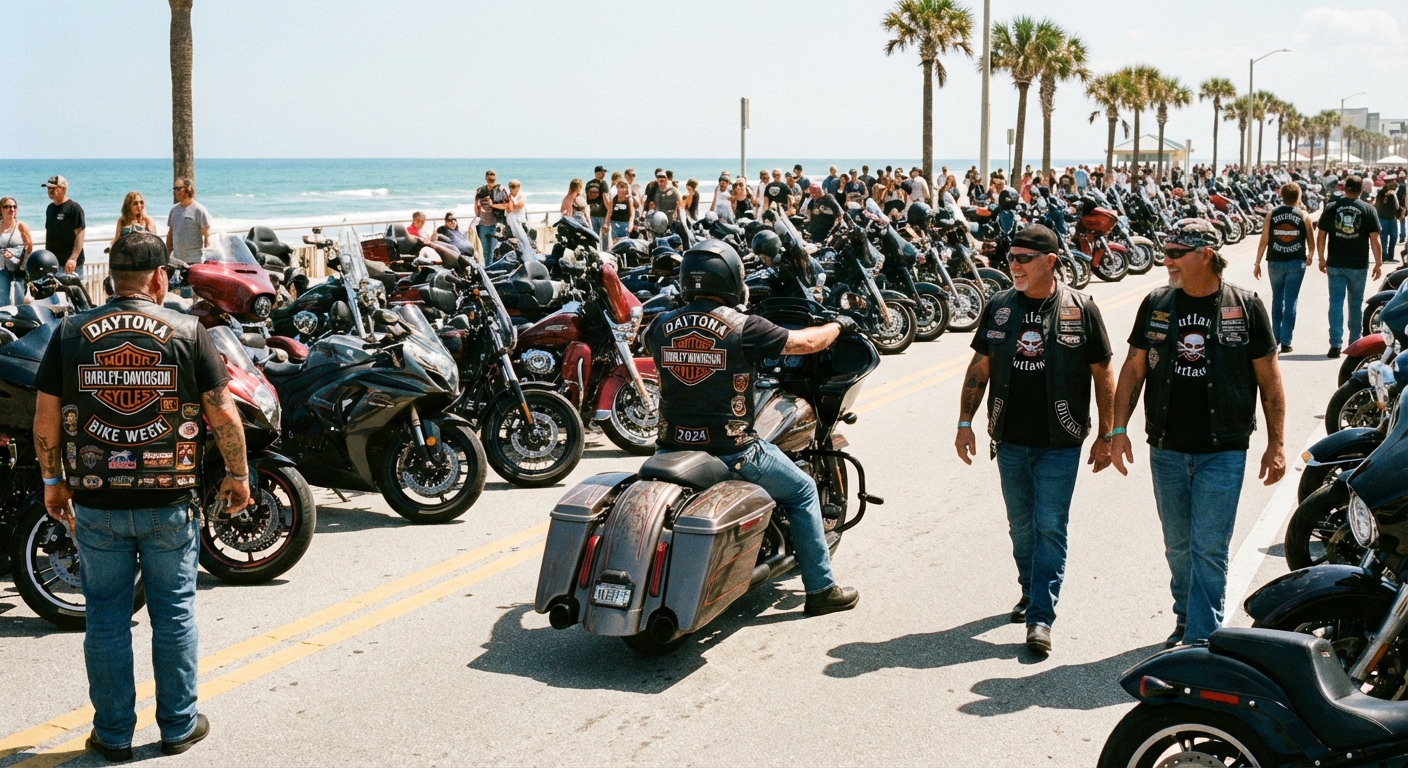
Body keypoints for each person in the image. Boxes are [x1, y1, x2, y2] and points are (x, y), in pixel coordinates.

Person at [35, 231, 250, 760]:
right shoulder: (188, 330)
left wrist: (52, 481)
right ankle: (178, 726)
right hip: (167, 500)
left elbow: (45, 417)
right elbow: (222, 411)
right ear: (159, 277)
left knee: (105, 617)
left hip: (96, 498)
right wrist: (239, 475)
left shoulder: (68, 333)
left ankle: (112, 734)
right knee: (173, 613)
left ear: (111, 277)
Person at [645, 239, 859, 615]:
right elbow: (806, 342)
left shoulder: (660, 325)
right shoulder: (743, 326)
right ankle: (821, 589)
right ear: (729, 278)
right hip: (733, 450)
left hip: (670, 447)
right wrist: (838, 325)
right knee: (803, 491)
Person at [1111, 219, 1285, 646]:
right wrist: (1118, 430)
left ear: (1205, 254)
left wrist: (1276, 444)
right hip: (1167, 446)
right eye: (1165, 251)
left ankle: (1203, 637)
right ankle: (1187, 616)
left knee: (1208, 545)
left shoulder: (1244, 306)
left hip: (1223, 448)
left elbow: (1269, 377)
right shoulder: (1156, 303)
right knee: (1178, 546)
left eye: (1174, 253)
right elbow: (1134, 368)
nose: (1165, 260)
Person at [956, 223, 1114, 656]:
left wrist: (1109, 433)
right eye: (1011, 258)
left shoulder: (1081, 308)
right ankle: (1030, 589)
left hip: (1061, 440)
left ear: (1050, 262)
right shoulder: (1000, 306)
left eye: (1024, 258)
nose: (1014, 266)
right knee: (1021, 527)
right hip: (1009, 438)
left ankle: (1041, 617)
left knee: (1050, 526)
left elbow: (1104, 374)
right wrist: (964, 422)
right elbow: (979, 368)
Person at [1317, 175, 1383, 358]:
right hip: (1358, 265)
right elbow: (1375, 239)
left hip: (1336, 263)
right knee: (1355, 305)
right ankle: (1355, 343)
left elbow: (1321, 234)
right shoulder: (1368, 209)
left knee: (1336, 302)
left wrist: (1321, 258)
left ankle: (1335, 345)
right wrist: (1378, 263)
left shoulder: (1332, 207)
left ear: (1344, 188)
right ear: (1361, 190)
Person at [1254, 183, 1315, 353]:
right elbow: (1311, 241)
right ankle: (1287, 341)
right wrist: (1310, 255)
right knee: (1291, 301)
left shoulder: (1272, 214)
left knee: (1277, 299)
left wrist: (1257, 263)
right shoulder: (1303, 215)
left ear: (1281, 196)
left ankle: (1275, 338)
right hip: (1296, 262)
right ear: (1298, 197)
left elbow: (1264, 240)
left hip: (1275, 261)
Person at [43, 175, 86, 277]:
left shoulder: (74, 208)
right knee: (49, 292)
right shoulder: (50, 208)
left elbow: (80, 234)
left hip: (70, 264)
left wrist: (73, 259)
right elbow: (49, 233)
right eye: (48, 188)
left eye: (53, 188)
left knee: (72, 292)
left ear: (63, 189)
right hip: (52, 263)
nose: (49, 191)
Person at [164, 178, 209, 264]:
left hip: (195, 260)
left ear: (188, 189)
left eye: (178, 189)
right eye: (174, 189)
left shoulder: (199, 210)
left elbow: (207, 236)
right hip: (177, 260)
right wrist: (167, 255)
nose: (175, 192)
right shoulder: (174, 210)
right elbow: (170, 234)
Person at [0, 197, 33, 306]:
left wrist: (14, 253)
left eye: (14, 207)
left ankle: (20, 322)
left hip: (19, 268)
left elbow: (29, 247)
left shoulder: (21, 226)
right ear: (1, 209)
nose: (11, 209)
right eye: (7, 207)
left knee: (20, 301)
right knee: (2, 300)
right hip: (2, 267)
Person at [474, 170, 504, 260]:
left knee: (492, 250)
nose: (490, 180)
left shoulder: (499, 190)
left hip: (495, 223)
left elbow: (505, 205)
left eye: (492, 178)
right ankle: (488, 269)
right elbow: (476, 206)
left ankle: (490, 269)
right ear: (486, 178)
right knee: (486, 250)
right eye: (489, 178)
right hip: (483, 223)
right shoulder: (481, 191)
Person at [503, 180, 535, 259]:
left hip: (519, 223)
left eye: (513, 187)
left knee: (524, 242)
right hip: (510, 225)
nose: (511, 189)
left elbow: (517, 205)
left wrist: (511, 198)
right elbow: (508, 208)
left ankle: (529, 258)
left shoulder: (521, 196)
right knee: (515, 244)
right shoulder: (508, 196)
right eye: (510, 187)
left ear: (518, 187)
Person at [1376, 177, 1401, 264]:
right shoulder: (1380, 193)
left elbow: (1397, 206)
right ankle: (1384, 256)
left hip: (1392, 219)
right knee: (1384, 238)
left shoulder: (1393, 194)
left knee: (1394, 237)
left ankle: (1390, 256)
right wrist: (1386, 197)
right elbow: (1378, 205)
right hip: (1383, 219)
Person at [585, 166, 610, 239]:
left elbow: (588, 201)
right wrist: (610, 211)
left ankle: (595, 249)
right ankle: (604, 250)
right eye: (602, 172)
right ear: (598, 173)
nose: (604, 174)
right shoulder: (603, 183)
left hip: (593, 213)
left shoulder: (588, 183)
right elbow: (606, 197)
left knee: (595, 236)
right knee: (604, 236)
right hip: (603, 213)